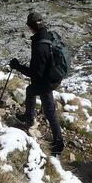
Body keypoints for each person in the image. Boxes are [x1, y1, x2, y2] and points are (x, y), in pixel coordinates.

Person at [8, 12, 65, 156]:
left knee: (49, 110)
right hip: (51, 76)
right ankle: (29, 117)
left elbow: (35, 74)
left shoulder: (40, 47)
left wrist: (17, 66)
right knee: (31, 91)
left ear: (31, 27)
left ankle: (58, 142)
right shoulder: (47, 36)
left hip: (46, 81)